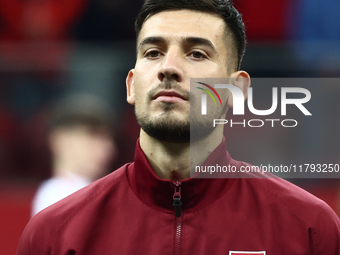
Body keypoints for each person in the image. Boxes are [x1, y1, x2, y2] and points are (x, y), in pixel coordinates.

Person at [17, 1, 340, 254]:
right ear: (131, 85)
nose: (168, 68)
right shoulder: (53, 235)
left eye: (196, 54)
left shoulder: (309, 229)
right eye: (153, 52)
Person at [31, 93, 116, 216]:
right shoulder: (56, 194)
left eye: (108, 138)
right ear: (61, 140)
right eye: (93, 135)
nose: (108, 147)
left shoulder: (99, 192)